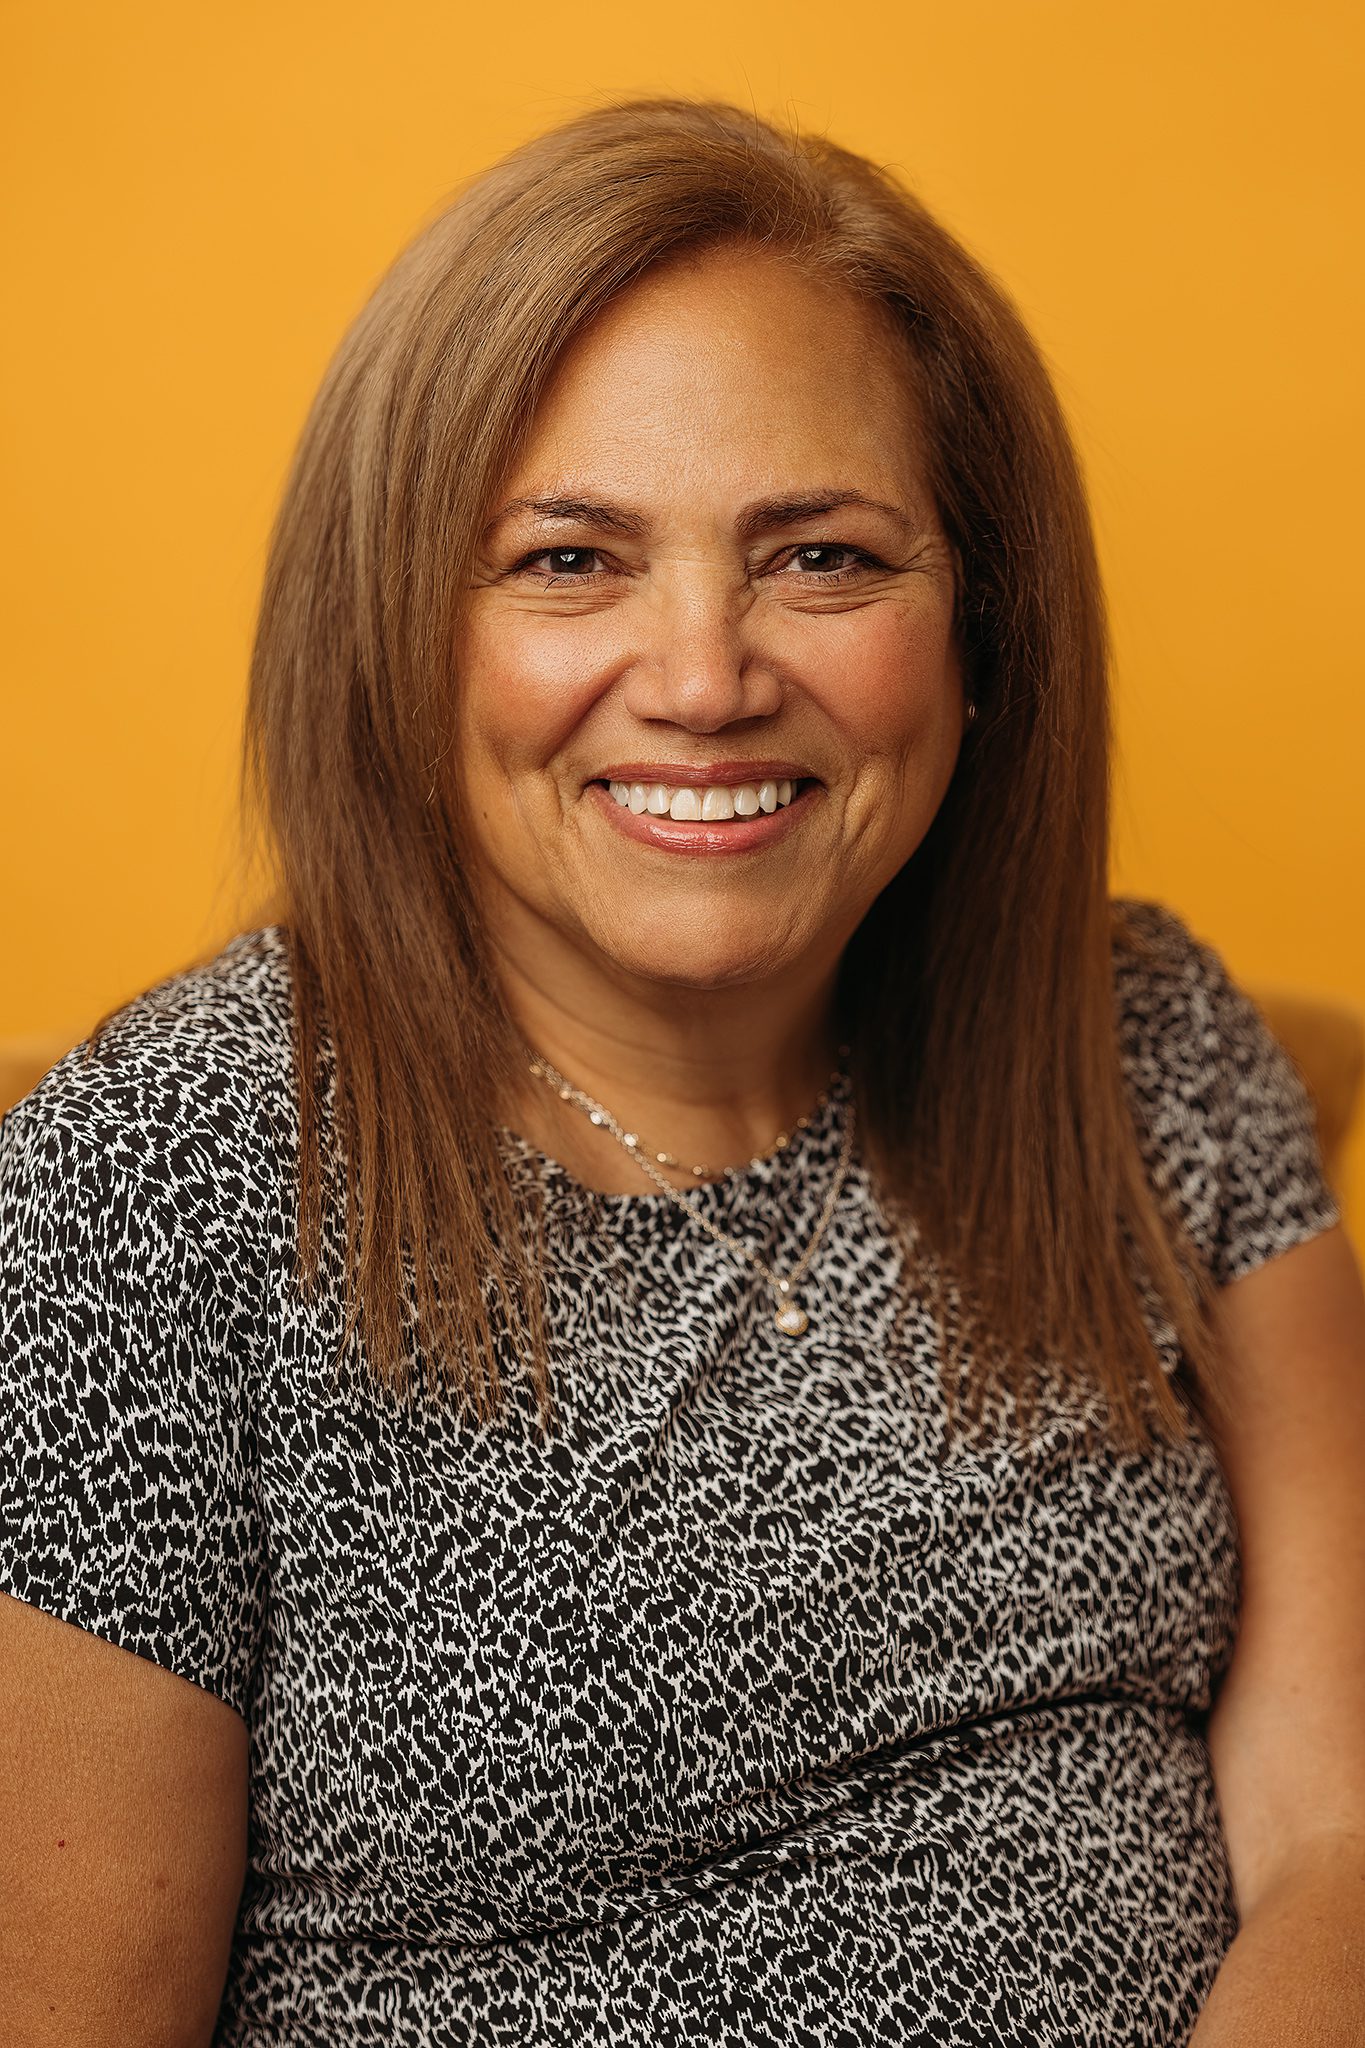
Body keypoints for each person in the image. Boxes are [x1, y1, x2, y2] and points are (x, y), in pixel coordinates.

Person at [1, 94, 1362, 2048]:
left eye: (819, 555)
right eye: (568, 560)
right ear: (397, 631)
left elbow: (1336, 1828)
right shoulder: (154, 1186)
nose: (705, 671)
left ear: (975, 628)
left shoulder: (1140, 1043)